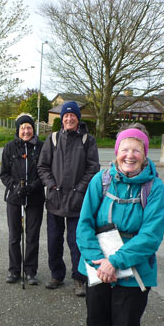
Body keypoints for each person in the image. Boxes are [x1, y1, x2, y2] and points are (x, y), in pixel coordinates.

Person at [76, 124, 164, 326]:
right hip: (97, 266)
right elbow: (83, 226)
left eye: (136, 150)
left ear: (145, 154)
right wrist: (99, 262)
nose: (130, 155)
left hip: (135, 268)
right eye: (124, 149)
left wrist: (115, 262)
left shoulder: (155, 187)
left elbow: (151, 235)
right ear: (116, 152)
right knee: (98, 322)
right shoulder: (100, 181)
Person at [37, 101, 100, 295]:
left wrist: (80, 189)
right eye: (66, 116)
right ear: (62, 119)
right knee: (54, 241)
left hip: (77, 201)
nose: (69, 118)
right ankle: (57, 275)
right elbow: (42, 166)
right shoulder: (53, 139)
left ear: (78, 118)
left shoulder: (87, 140)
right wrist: (51, 185)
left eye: (73, 116)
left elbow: (93, 168)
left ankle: (79, 278)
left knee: (77, 241)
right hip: (55, 199)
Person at [0, 113, 45, 285]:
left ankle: (31, 271)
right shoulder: (9, 147)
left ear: (33, 129)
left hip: (35, 197)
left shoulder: (41, 147)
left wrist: (33, 186)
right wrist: (14, 186)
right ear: (18, 130)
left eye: (29, 127)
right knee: (14, 236)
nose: (26, 131)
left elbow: (46, 172)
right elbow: (3, 173)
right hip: (14, 197)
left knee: (32, 236)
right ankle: (14, 270)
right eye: (22, 128)